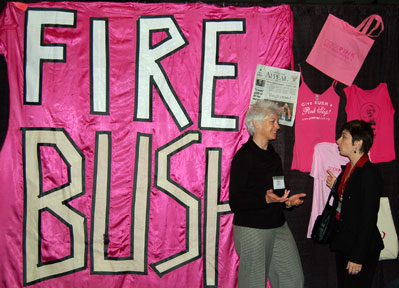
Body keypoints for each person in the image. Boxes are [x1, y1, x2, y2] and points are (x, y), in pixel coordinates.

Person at [229, 99, 306, 288]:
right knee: (253, 283)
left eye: (277, 122)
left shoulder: (273, 156)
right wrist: (264, 198)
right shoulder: (243, 157)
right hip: (252, 229)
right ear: (256, 123)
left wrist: (286, 202)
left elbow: (276, 194)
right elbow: (236, 201)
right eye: (272, 121)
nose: (277, 127)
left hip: (278, 225)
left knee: (293, 279)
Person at [326, 120, 384, 288]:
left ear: (358, 143)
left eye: (343, 137)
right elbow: (348, 205)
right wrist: (337, 187)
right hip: (345, 242)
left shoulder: (369, 173)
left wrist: (358, 256)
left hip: (360, 249)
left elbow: (368, 217)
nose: (338, 141)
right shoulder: (348, 169)